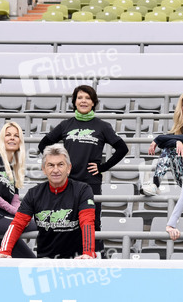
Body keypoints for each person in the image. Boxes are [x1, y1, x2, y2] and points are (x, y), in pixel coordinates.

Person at [37, 84, 128, 252]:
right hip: (67, 183)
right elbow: (43, 144)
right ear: (74, 102)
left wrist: (103, 167)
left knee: (92, 223)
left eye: (87, 98)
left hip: (90, 183)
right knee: (67, 223)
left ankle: (95, 256)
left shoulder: (102, 126)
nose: (83, 101)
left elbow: (122, 148)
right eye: (80, 98)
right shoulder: (66, 125)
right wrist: (57, 164)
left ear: (93, 102)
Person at [0, 145, 96, 259]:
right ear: (44, 169)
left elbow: (87, 221)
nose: (55, 170)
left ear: (68, 168)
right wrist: (5, 251)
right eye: (51, 165)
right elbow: (18, 223)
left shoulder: (83, 190)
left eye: (60, 165)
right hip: (45, 260)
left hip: (76, 260)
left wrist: (88, 253)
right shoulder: (34, 193)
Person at [0, 121, 36, 258]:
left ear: (20, 141)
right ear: (2, 139)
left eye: (16, 136)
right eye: (8, 135)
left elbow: (15, 200)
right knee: (42, 224)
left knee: (28, 258)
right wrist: (13, 211)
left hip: (6, 220)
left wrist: (22, 213)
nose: (12, 138)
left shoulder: (14, 168)